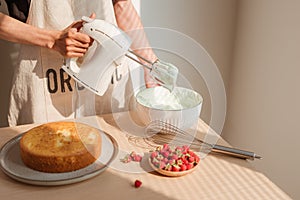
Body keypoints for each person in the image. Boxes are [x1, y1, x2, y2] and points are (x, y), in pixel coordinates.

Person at [0, 0, 157, 126]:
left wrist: (151, 64)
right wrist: (53, 40)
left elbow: (121, 3)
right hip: (45, 81)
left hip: (107, 81)